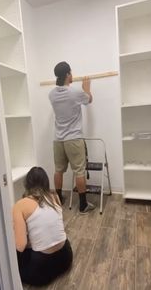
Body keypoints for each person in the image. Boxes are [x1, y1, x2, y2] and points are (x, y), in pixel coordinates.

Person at [13, 167, 73, 286]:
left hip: (41, 270)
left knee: (17, 250)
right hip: (66, 257)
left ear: (27, 184)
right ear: (46, 182)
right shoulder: (54, 197)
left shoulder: (19, 205)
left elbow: (20, 246)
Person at [49, 61, 95, 214]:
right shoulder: (75, 92)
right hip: (74, 139)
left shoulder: (52, 94)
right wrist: (87, 89)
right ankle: (83, 205)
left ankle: (59, 199)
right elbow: (89, 100)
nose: (72, 75)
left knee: (58, 170)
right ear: (68, 74)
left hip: (58, 139)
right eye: (71, 72)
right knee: (79, 171)